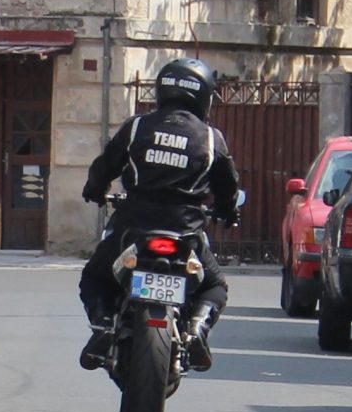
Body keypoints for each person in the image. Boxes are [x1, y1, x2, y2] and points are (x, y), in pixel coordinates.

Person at [78, 57, 240, 373]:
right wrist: (228, 211)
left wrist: (94, 190)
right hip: (186, 233)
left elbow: (104, 166)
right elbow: (228, 185)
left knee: (94, 277)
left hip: (133, 228)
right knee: (214, 286)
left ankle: (103, 325)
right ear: (204, 95)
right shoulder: (211, 139)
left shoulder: (137, 127)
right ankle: (197, 328)